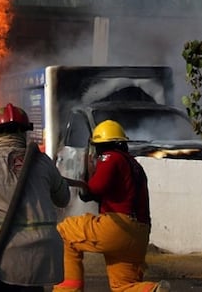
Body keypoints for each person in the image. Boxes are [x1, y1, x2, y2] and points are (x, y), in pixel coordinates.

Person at [0, 103, 71, 292]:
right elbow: (63, 198)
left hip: (2, 262)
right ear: (24, 133)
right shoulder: (44, 163)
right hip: (41, 260)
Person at [53, 120, 168, 292]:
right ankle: (153, 290)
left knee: (65, 232)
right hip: (140, 234)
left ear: (102, 146)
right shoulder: (135, 165)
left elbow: (96, 187)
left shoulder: (111, 157)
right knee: (123, 287)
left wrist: (88, 189)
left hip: (117, 226)